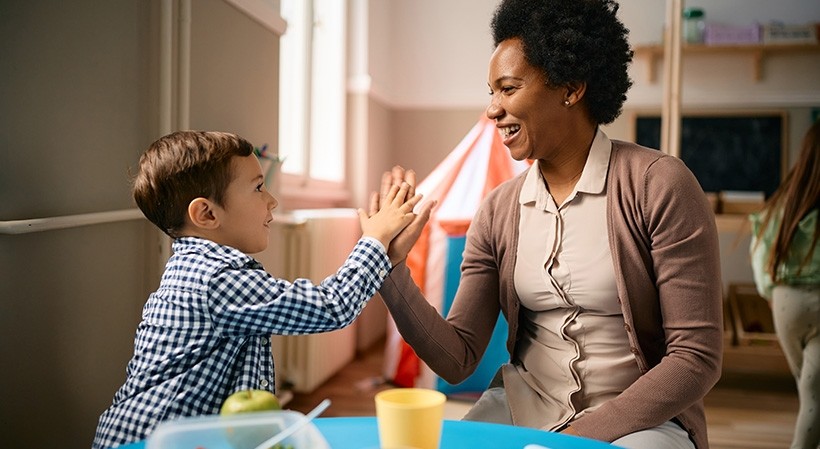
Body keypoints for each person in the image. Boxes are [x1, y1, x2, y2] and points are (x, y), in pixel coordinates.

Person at [369, 1, 723, 448]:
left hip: (641, 423)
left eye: (508, 89)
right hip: (522, 408)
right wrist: (390, 267)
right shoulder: (497, 211)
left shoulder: (660, 185)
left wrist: (576, 440)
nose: (493, 111)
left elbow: (696, 357)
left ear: (571, 88)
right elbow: (458, 356)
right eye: (491, 93)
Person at [92, 130, 424, 448]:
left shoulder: (200, 269)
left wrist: (384, 251)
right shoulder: (216, 279)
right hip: (148, 442)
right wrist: (374, 240)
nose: (273, 200)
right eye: (259, 187)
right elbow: (332, 306)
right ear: (206, 213)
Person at [749, 120, 820, 449]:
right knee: (814, 398)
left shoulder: (785, 202)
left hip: (785, 303)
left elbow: (760, 250)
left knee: (809, 389)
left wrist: (769, 293)